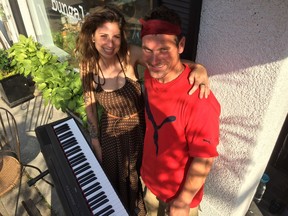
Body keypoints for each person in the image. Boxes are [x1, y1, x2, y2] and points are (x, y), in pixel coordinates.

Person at [75, 5, 210, 215]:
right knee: (116, 179)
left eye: (116, 36)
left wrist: (199, 68)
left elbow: (166, 64)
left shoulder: (130, 54)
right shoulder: (88, 65)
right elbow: (90, 104)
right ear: (92, 37)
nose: (110, 43)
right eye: (103, 36)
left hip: (139, 131)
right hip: (111, 132)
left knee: (137, 179)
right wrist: (95, 141)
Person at [139, 5, 221, 216]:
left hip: (179, 197)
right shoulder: (150, 74)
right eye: (148, 50)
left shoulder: (198, 100)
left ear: (181, 44)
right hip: (149, 181)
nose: (154, 60)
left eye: (164, 50)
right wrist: (197, 65)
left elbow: (204, 159)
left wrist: (183, 202)